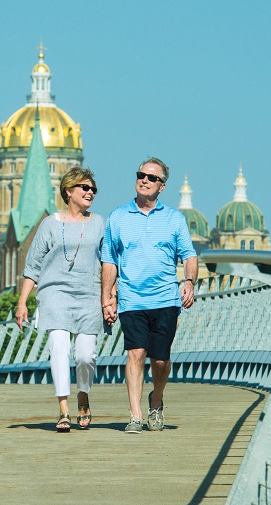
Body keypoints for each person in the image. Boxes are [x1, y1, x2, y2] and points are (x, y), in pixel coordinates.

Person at [101, 157, 197, 434]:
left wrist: (189, 281)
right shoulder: (118, 217)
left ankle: (156, 398)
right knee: (135, 353)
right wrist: (107, 296)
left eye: (152, 178)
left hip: (166, 299)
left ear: (162, 186)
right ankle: (135, 415)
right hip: (131, 299)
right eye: (141, 175)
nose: (144, 180)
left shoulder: (174, 218)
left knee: (159, 359)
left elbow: (189, 255)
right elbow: (109, 261)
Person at [16, 167, 105, 432]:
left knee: (86, 354)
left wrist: (110, 296)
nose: (90, 192)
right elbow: (33, 266)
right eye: (84, 188)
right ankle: (64, 408)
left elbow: (111, 262)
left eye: (93, 189)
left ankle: (83, 395)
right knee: (58, 347)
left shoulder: (100, 223)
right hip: (54, 293)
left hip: (89, 293)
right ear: (68, 191)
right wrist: (22, 302)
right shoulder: (50, 224)